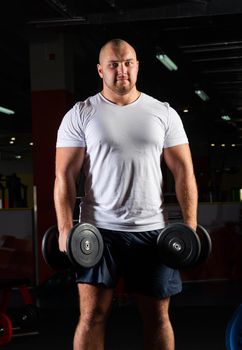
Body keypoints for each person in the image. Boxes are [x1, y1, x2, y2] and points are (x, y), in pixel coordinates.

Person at [54, 38, 198, 350]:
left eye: (128, 62)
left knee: (158, 317)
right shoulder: (81, 114)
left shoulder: (163, 113)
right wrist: (66, 227)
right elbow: (64, 175)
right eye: (114, 64)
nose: (122, 70)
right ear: (100, 69)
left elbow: (184, 171)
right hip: (98, 231)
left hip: (152, 231)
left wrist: (190, 224)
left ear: (137, 65)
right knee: (92, 316)